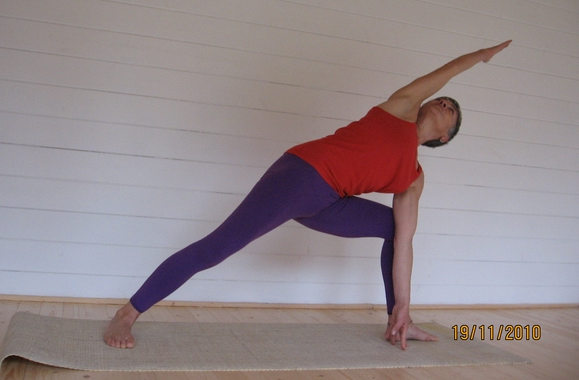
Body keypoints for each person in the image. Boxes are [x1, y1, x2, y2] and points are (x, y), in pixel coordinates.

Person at [104, 40, 512, 350]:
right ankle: (128, 313)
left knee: (395, 229)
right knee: (217, 248)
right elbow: (444, 72)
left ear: (444, 137)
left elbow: (404, 243)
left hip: (328, 201)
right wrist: (481, 56)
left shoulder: (414, 178)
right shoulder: (401, 109)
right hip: (301, 175)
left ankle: (397, 321)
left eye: (450, 109)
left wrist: (404, 303)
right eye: (441, 100)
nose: (443, 103)